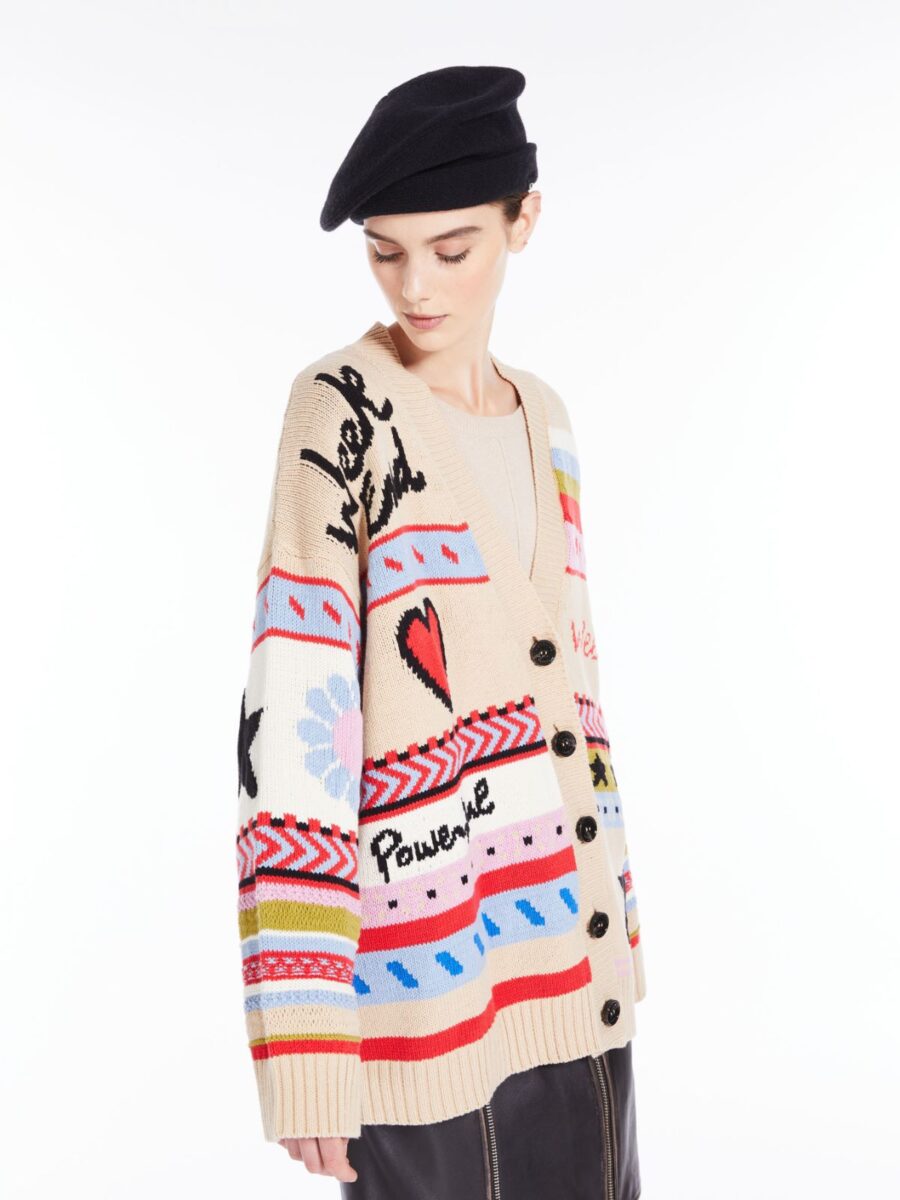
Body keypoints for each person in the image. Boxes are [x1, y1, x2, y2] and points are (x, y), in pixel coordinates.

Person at [235, 65, 647, 1199]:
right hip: (421, 1009)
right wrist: (304, 1040)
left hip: (579, 985)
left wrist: (620, 934)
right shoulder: (340, 414)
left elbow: (578, 705)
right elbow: (292, 727)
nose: (416, 286)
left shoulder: (547, 419)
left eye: (452, 249)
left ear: (524, 220)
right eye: (386, 252)